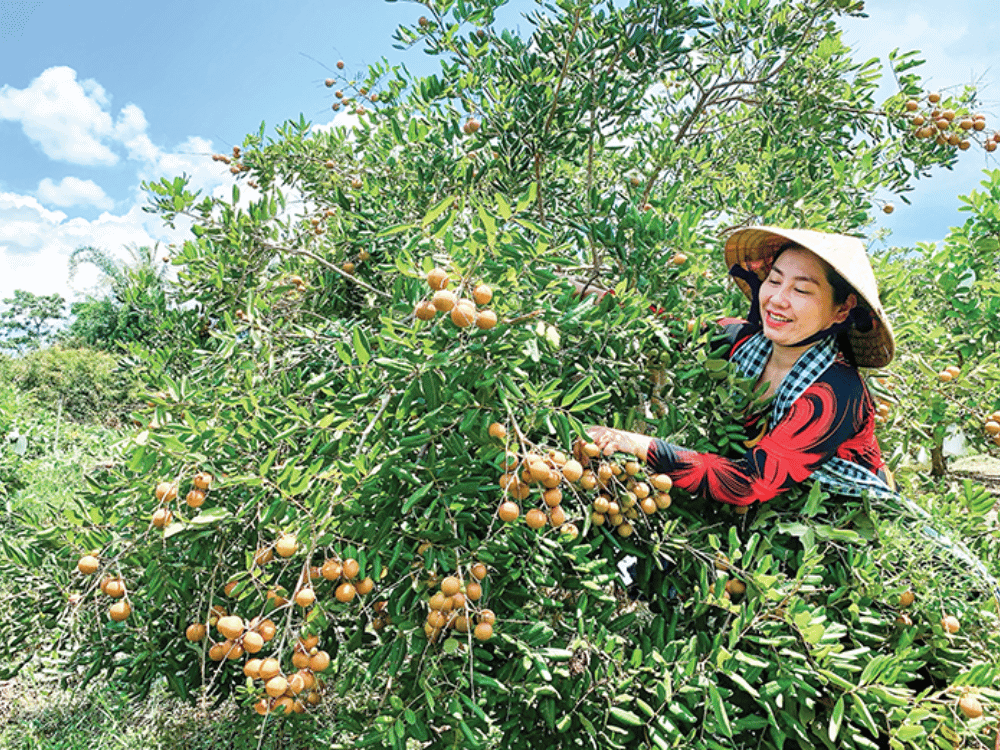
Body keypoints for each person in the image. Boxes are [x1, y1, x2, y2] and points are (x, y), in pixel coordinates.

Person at [586, 226, 898, 507]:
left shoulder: (835, 392)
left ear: (841, 310)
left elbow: (750, 483)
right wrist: (588, 295)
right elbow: (668, 328)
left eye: (801, 290)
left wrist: (637, 444)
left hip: (842, 520)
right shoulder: (743, 340)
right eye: (774, 280)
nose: (777, 299)